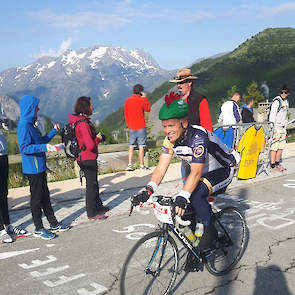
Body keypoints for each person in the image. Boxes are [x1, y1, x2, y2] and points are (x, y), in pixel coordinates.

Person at [131, 96, 239, 271]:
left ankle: (209, 235)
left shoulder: (198, 137)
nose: (167, 130)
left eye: (171, 126)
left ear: (184, 123)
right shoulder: (170, 141)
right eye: (165, 126)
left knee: (194, 196)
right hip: (202, 173)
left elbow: (195, 172)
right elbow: (161, 168)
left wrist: (184, 196)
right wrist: (148, 190)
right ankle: (195, 247)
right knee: (183, 211)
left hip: (222, 170)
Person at [17, 95, 70, 240]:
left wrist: (53, 132)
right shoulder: (24, 125)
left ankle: (53, 224)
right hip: (32, 169)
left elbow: (40, 141)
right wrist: (44, 147)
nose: (38, 109)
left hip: (39, 167)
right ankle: (39, 228)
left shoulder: (31, 124)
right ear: (30, 108)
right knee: (37, 199)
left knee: (45, 197)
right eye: (36, 106)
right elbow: (24, 148)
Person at [69, 96, 109, 220]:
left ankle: (99, 207)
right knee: (91, 186)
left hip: (84, 157)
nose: (93, 107)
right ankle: (92, 213)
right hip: (87, 158)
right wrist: (98, 138)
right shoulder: (83, 124)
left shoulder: (80, 121)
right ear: (86, 107)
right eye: (91, 105)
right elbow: (90, 145)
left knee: (94, 183)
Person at [0, 113, 27, 243]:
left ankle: (7, 224)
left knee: (3, 192)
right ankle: (1, 230)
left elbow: (7, 128)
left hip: (2, 153)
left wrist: (5, 122)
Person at [124, 84, 151, 171]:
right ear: (141, 92)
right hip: (141, 126)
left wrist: (129, 124)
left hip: (131, 126)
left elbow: (126, 114)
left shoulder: (128, 100)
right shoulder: (141, 100)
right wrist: (145, 98)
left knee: (131, 145)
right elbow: (148, 109)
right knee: (141, 146)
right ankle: (142, 165)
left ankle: (129, 164)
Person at [269, 85, 290, 172]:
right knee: (274, 147)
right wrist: (272, 127)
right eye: (282, 92)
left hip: (282, 127)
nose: (284, 94)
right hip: (276, 127)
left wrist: (285, 126)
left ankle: (277, 163)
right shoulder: (277, 101)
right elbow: (272, 115)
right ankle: (272, 165)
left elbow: (285, 115)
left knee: (281, 147)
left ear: (288, 93)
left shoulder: (286, 102)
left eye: (285, 92)